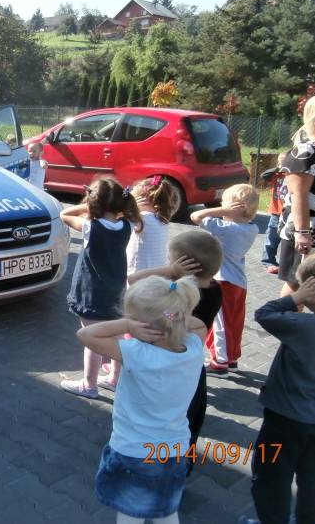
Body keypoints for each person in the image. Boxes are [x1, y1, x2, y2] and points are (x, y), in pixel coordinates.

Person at [80, 276, 207, 524]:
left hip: (133, 450)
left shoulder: (136, 353)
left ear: (143, 325)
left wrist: (127, 325)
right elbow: (200, 325)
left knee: (129, 512)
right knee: (166, 510)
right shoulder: (194, 348)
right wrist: (174, 318)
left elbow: (86, 334)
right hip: (175, 450)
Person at [239, 252, 315, 524]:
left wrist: (295, 298)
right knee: (313, 478)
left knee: (272, 477)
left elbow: (264, 313)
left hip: (285, 419)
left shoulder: (304, 325)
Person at [127, 229, 223, 475]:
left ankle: (154, 467)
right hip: (193, 367)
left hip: (167, 367)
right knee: (190, 421)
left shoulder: (177, 303)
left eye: (170, 259)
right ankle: (182, 468)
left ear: (184, 264)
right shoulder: (216, 290)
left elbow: (134, 280)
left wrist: (170, 272)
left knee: (162, 421)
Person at [60, 177, 142, 398]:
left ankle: (89, 385)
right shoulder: (126, 226)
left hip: (92, 293)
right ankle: (114, 379)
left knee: (92, 341)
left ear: (93, 201)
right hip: (116, 292)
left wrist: (87, 206)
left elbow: (64, 214)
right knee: (117, 336)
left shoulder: (91, 227)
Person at [190, 184, 260, 374]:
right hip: (238, 281)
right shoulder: (252, 228)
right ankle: (231, 358)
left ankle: (220, 361)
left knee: (219, 322)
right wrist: (230, 211)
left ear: (234, 208)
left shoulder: (225, 229)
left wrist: (223, 211)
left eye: (225, 204)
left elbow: (195, 216)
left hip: (223, 281)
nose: (222, 207)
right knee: (234, 321)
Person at [276, 91, 315, 294]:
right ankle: (286, 315)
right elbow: (298, 195)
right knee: (298, 284)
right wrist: (302, 233)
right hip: (309, 232)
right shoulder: (306, 152)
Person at [126, 175, 177, 275]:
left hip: (138, 273)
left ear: (142, 202)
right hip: (157, 272)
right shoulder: (162, 219)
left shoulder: (142, 218)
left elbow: (116, 218)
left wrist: (131, 208)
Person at [259, 152, 289, 274]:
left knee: (288, 238)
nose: (282, 165)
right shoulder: (277, 175)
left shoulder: (294, 175)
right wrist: (279, 168)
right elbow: (264, 175)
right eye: (279, 162)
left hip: (289, 212)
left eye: (284, 162)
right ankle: (268, 261)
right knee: (272, 237)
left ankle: (287, 263)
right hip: (276, 212)